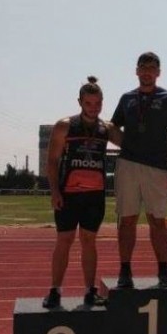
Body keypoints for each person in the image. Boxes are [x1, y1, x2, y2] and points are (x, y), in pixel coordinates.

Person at [43, 77, 122, 308]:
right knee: (64, 241)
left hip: (95, 196)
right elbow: (52, 161)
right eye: (89, 103)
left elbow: (132, 144)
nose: (93, 108)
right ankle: (55, 291)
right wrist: (54, 191)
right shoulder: (64, 126)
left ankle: (90, 291)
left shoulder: (106, 129)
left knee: (89, 242)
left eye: (97, 103)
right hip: (68, 194)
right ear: (80, 102)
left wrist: (157, 140)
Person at [111, 52, 167, 288]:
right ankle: (125, 271)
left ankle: (164, 271)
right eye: (143, 67)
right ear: (136, 71)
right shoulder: (126, 99)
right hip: (128, 166)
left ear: (158, 72)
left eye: (152, 68)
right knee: (127, 220)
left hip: (159, 168)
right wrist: (130, 143)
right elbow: (113, 127)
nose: (147, 72)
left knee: (157, 221)